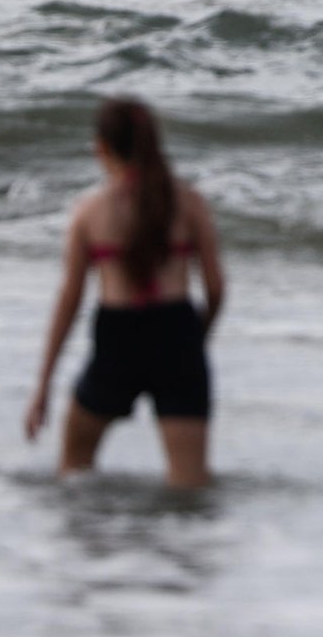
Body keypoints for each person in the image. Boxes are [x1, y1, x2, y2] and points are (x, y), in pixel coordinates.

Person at [24, 96, 227, 489]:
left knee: (74, 475)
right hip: (177, 332)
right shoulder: (190, 203)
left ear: (101, 148)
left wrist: (42, 389)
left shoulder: (90, 212)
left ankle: (100, 545)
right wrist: (196, 339)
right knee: (190, 488)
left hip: (118, 341)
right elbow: (216, 289)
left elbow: (69, 302)